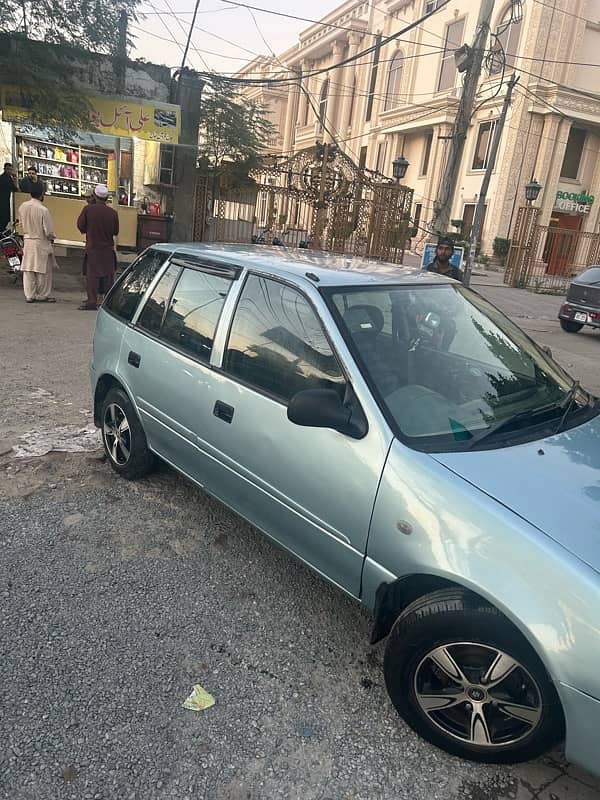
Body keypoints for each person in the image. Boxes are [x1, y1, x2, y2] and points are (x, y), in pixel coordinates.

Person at [76, 184, 119, 311]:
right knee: (107, 276)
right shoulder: (113, 213)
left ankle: (92, 301)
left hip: (93, 248)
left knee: (92, 277)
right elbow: (116, 231)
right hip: (107, 250)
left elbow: (81, 227)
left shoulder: (88, 210)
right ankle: (106, 302)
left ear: (95, 196)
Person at [19, 183, 57, 303]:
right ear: (42, 194)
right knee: (42, 271)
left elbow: (21, 224)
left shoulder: (22, 206)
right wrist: (52, 238)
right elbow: (49, 231)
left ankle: (29, 295)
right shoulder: (43, 210)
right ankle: (42, 295)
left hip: (27, 240)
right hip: (41, 242)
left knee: (28, 269)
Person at [0, 162, 18, 232]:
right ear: (4, 169)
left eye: (11, 169)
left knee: (6, 219)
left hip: (6, 200)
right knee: (4, 219)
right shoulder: (3, 178)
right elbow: (14, 188)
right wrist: (15, 179)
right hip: (2, 201)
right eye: (8, 169)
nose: (9, 171)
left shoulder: (9, 178)